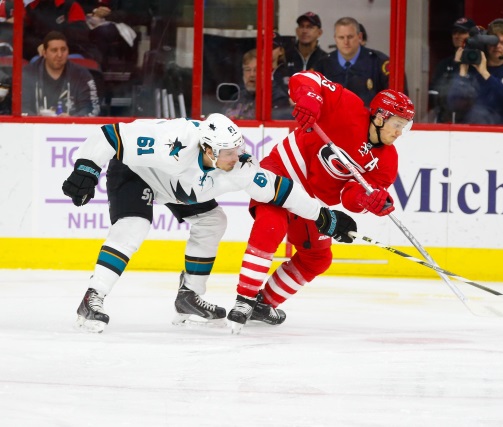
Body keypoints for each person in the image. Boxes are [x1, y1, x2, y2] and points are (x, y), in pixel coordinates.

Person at [61, 114, 357, 333]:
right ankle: (92, 297)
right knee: (134, 227)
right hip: (136, 173)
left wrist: (323, 217)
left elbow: (282, 191)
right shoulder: (172, 142)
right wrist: (87, 168)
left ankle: (189, 295)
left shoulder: (237, 166)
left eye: (237, 149)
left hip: (179, 186)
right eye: (229, 152)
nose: (237, 157)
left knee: (213, 221)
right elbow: (109, 135)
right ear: (207, 149)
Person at [227, 70, 415, 334]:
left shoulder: (387, 161)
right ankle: (244, 299)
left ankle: (263, 303)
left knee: (317, 258)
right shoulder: (347, 107)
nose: (399, 132)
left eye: (404, 126)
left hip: (309, 202)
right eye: (397, 124)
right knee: (272, 225)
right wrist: (310, 98)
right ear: (381, 117)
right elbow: (305, 77)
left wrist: (366, 199)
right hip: (283, 172)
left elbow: (348, 198)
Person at [446, 18, 503, 124]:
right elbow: (453, 104)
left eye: (502, 42)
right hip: (468, 133)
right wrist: (462, 70)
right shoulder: (471, 70)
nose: (497, 46)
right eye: (493, 41)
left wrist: (485, 73)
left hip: (502, 135)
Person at [314, 16, 390, 107]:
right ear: (335, 39)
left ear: (360, 37)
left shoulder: (378, 62)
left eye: (350, 37)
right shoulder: (323, 64)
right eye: (341, 37)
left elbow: (394, 100)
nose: (346, 42)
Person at [22, 31, 100, 116]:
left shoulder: (82, 75)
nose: (59, 54)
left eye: (63, 50)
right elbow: (20, 108)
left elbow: (91, 108)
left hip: (72, 128)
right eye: (54, 50)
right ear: (44, 53)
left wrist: (72, 120)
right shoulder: (27, 74)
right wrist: (38, 120)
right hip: (35, 127)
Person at [429, 17, 476, 123]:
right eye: (455, 32)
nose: (457, 36)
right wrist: (456, 64)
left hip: (474, 124)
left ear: (473, 36)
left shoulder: (480, 63)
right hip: (447, 123)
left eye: (463, 32)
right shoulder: (443, 64)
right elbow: (436, 99)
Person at [23, 0, 101, 63]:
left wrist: (51, 45)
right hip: (43, 54)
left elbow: (80, 35)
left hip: (73, 52)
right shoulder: (30, 8)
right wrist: (38, 45)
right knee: (37, 62)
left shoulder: (71, 5)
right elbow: (26, 36)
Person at [223, 48, 257, 120]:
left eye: (256, 70)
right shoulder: (236, 97)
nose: (252, 74)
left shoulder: (274, 98)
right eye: (247, 70)